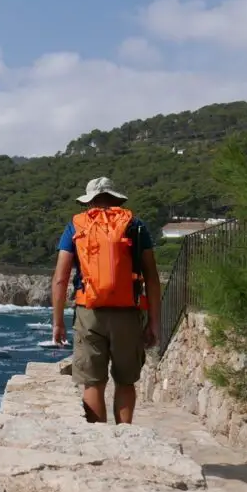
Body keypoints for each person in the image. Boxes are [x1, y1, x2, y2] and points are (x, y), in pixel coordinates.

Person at [51, 177, 161, 424]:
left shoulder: (76, 226)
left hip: (89, 312)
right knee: (125, 381)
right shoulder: (136, 226)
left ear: (89, 201)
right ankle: (125, 437)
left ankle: (100, 441)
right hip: (128, 313)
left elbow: (60, 279)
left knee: (93, 382)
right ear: (116, 198)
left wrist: (57, 322)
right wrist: (154, 322)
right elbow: (152, 277)